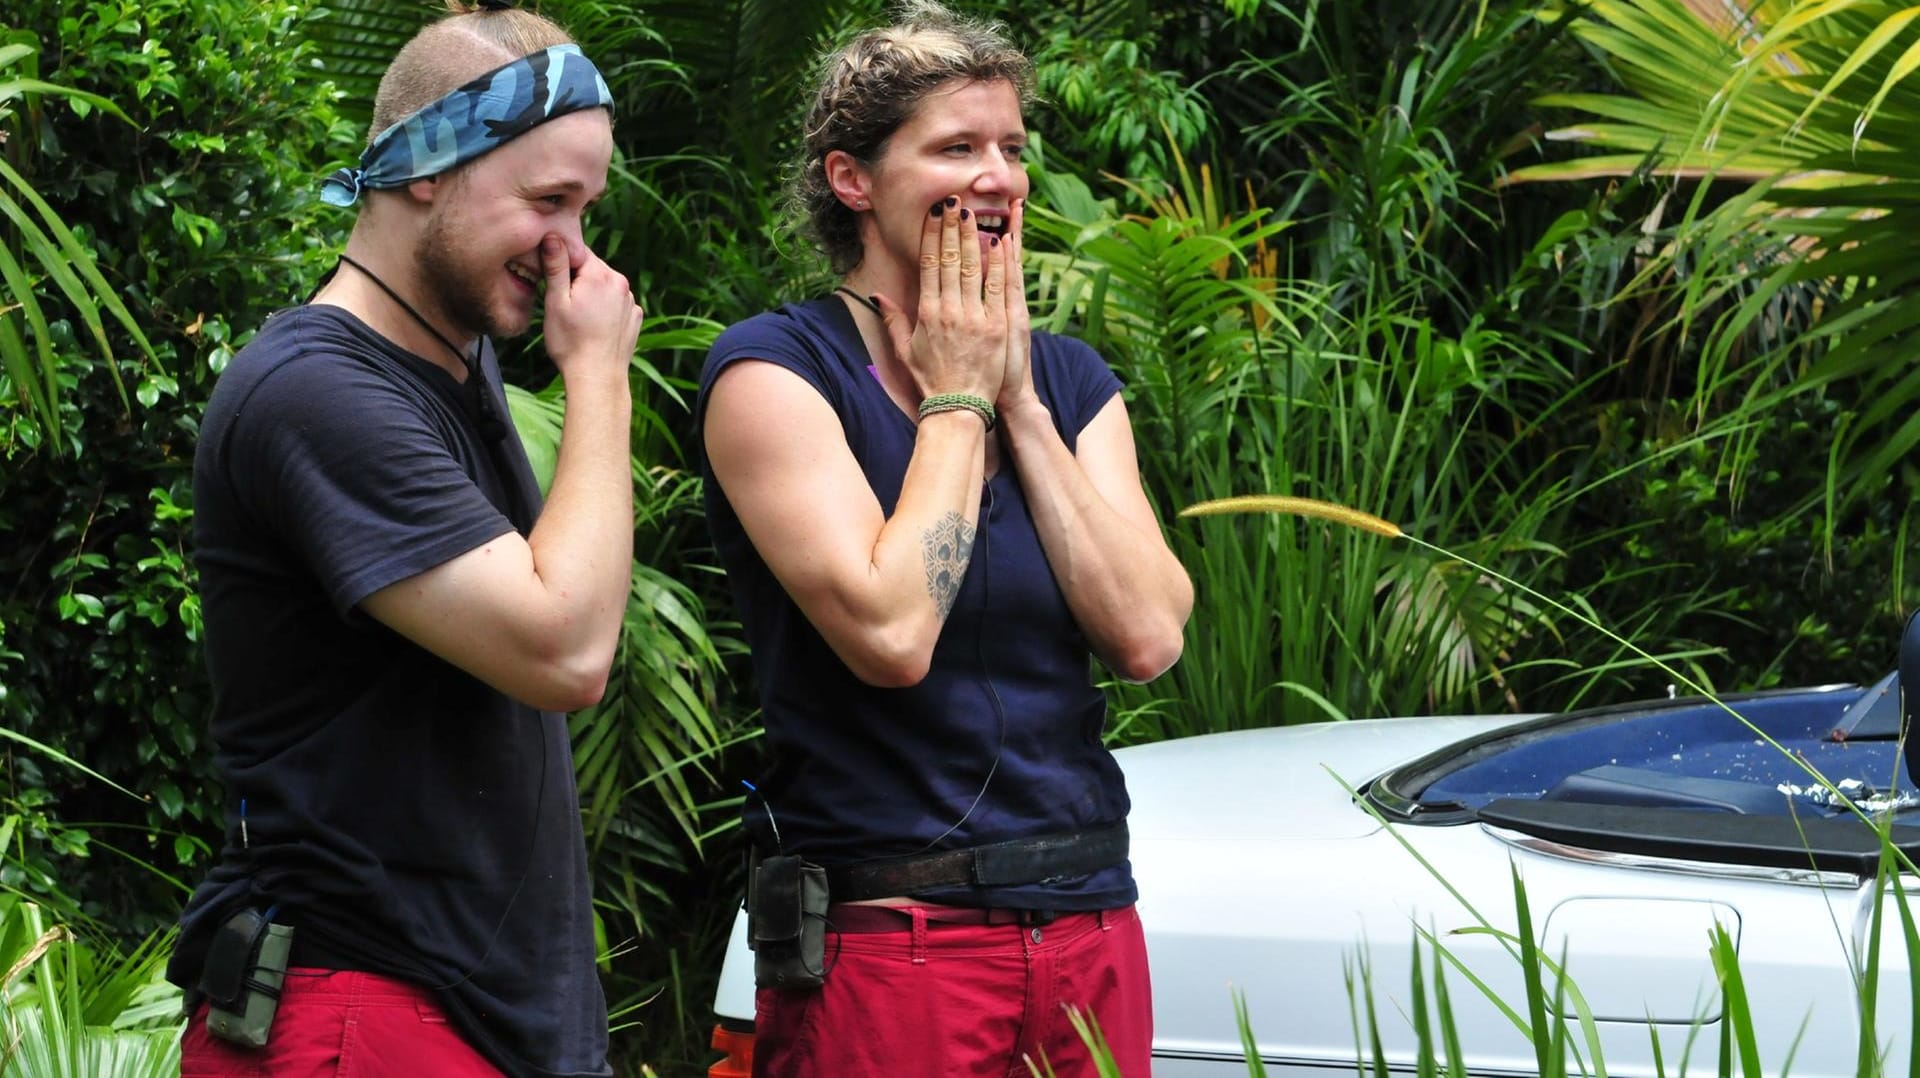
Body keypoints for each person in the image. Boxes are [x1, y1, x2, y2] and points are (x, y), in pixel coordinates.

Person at [697, 3, 1195, 1074]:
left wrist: (1015, 398)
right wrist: (958, 396)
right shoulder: (775, 373)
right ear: (852, 180)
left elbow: (1151, 633)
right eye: (957, 147)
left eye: (1012, 148)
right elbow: (892, 631)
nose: (1000, 176)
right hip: (890, 939)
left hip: (1087, 919)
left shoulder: (1067, 382)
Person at [167, 3, 641, 1075]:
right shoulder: (314, 394)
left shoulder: (454, 362)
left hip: (472, 1013)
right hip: (359, 1008)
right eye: (547, 201)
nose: (572, 249)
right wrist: (599, 375)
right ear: (427, 167)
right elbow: (564, 649)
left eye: (586, 206)